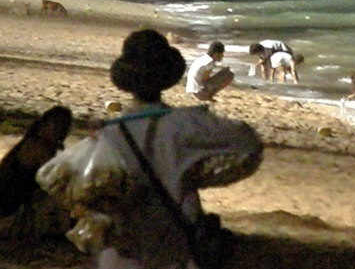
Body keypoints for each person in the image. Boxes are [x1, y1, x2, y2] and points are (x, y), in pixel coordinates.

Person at [94, 29, 262, 269]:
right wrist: (200, 173)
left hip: (121, 253)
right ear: (168, 76)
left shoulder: (107, 133)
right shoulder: (185, 124)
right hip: (176, 248)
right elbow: (248, 143)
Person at [0, 105, 73, 239]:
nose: (59, 132)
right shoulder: (37, 148)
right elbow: (57, 181)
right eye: (56, 127)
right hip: (9, 219)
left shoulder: (31, 143)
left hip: (2, 216)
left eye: (62, 128)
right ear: (44, 125)